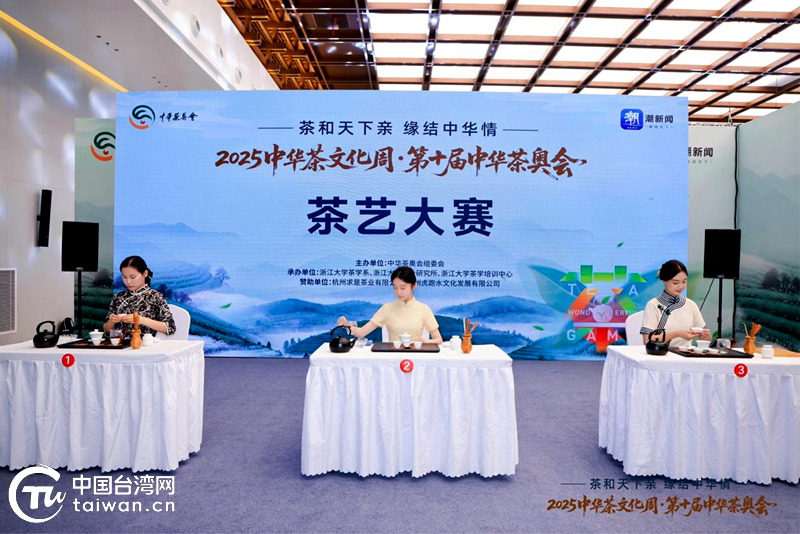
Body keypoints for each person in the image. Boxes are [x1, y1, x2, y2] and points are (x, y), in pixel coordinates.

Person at [337, 266, 443, 344]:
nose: (398, 292)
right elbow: (361, 333)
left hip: (416, 357)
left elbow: (438, 339)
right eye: (395, 287)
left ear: (413, 286)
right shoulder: (387, 308)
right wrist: (346, 325)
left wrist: (426, 342)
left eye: (403, 288)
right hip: (393, 357)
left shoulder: (423, 309)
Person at [640, 259, 711, 347]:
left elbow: (706, 339)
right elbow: (647, 340)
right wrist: (677, 334)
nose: (681, 286)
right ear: (664, 280)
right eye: (675, 282)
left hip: (686, 354)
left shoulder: (691, 305)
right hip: (662, 354)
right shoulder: (653, 305)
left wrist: (705, 336)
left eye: (684, 281)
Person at [104, 256, 176, 337]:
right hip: (121, 343)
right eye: (124, 277)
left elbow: (170, 328)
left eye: (133, 277)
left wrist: (141, 320)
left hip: (146, 343)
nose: (128, 281)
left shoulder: (155, 296)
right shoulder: (118, 297)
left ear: (145, 273)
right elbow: (107, 330)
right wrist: (112, 321)